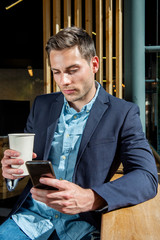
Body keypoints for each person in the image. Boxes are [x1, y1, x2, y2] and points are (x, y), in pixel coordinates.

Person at [0, 26, 158, 240]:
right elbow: (26, 164)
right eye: (56, 72)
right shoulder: (41, 106)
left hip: (82, 226)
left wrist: (91, 197)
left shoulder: (123, 113)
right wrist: (12, 173)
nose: (63, 81)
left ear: (94, 64)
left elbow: (146, 177)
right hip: (29, 220)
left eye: (72, 70)